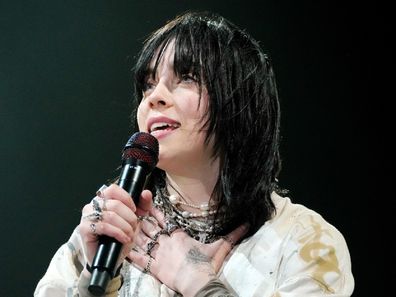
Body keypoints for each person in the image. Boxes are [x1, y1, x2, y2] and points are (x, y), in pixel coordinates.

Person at [34, 11, 354, 297]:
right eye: (148, 84)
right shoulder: (107, 233)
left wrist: (199, 283)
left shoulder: (303, 241)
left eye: (186, 77)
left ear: (237, 100)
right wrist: (94, 280)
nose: (154, 97)